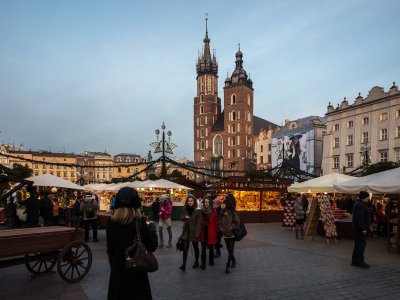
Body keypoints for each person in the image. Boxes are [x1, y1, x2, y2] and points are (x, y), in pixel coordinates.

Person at [106, 187, 157, 300]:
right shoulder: (139, 221)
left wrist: (115, 266)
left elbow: (110, 249)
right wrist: (152, 230)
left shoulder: (111, 222)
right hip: (136, 272)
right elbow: (152, 246)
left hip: (118, 272)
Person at [179, 194, 201, 271]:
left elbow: (199, 223)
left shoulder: (197, 210)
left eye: (191, 201)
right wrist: (185, 217)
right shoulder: (185, 208)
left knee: (195, 248)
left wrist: (197, 233)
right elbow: (181, 217)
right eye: (189, 201)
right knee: (185, 249)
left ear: (194, 201)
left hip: (194, 232)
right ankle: (184, 264)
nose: (190, 202)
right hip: (186, 231)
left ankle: (197, 262)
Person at [220, 195, 240, 274]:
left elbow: (237, 222)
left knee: (231, 249)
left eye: (224, 203)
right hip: (225, 233)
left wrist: (232, 227)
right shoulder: (222, 212)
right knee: (229, 250)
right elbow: (220, 222)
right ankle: (234, 261)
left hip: (231, 234)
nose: (223, 205)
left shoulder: (233, 212)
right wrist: (221, 228)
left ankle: (227, 266)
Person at [351, 191, 371, 269]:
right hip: (359, 229)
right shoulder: (359, 205)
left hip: (359, 229)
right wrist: (363, 228)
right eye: (367, 197)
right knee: (360, 245)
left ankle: (356, 261)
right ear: (364, 197)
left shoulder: (360, 204)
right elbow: (359, 218)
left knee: (359, 245)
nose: (368, 198)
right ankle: (358, 261)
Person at [199, 197, 218, 269]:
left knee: (211, 248)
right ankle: (203, 264)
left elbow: (216, 223)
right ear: (203, 203)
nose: (206, 203)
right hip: (203, 231)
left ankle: (211, 261)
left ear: (210, 203)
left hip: (211, 231)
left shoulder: (214, 211)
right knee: (203, 248)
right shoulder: (201, 211)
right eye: (205, 202)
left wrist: (216, 232)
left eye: (208, 202)